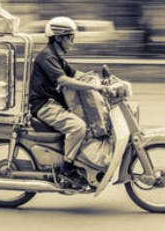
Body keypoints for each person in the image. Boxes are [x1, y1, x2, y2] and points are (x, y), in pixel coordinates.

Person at [28, 17, 108, 176]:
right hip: (44, 106)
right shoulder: (46, 56)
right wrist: (94, 87)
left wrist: (101, 81)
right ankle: (67, 166)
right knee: (78, 126)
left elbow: (75, 74)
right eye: (70, 38)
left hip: (53, 104)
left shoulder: (56, 58)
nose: (72, 42)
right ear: (58, 38)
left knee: (87, 120)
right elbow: (64, 80)